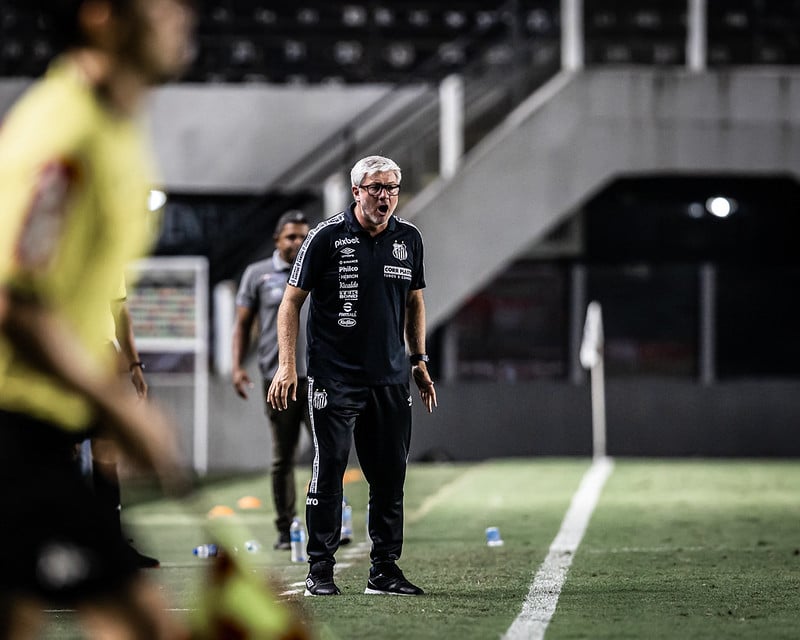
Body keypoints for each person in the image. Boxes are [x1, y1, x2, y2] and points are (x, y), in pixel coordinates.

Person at [0, 0, 194, 637]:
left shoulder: (114, 128)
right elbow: (15, 304)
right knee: (143, 623)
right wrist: (118, 408)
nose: (181, 14)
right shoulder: (64, 135)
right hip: (13, 430)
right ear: (101, 16)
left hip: (41, 430)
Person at [268, 155, 437, 597]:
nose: (386, 196)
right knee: (329, 472)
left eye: (393, 188)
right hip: (333, 380)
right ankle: (319, 572)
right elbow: (290, 303)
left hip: (390, 379)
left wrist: (418, 359)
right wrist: (289, 365)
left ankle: (384, 571)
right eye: (377, 187)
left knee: (390, 476)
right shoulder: (325, 237)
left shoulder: (410, 239)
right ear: (356, 191)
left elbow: (414, 302)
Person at [232, 210, 311, 551]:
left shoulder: (320, 266)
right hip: (278, 377)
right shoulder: (258, 274)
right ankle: (285, 528)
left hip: (321, 375)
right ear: (277, 239)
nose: (298, 242)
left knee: (332, 451)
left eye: (303, 236)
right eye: (292, 236)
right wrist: (236, 366)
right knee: (284, 455)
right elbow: (242, 324)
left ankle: (333, 521)